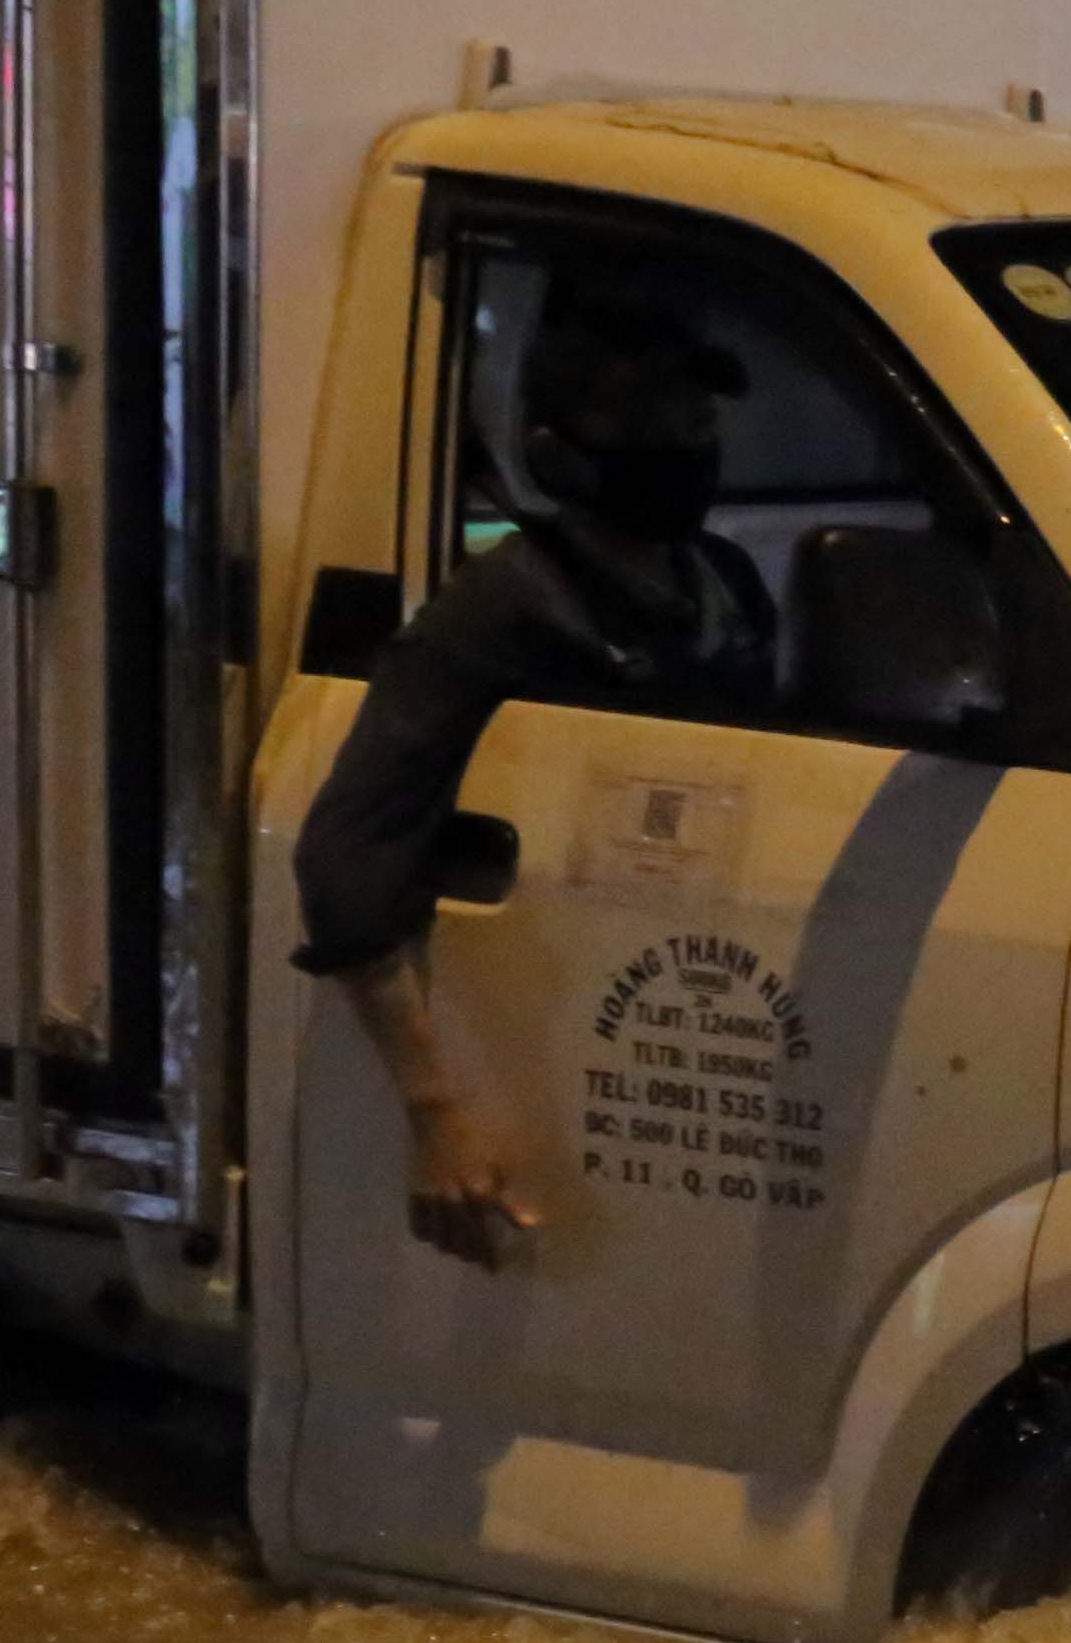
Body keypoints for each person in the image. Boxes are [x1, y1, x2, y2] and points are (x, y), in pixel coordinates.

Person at [291, 271, 771, 1267]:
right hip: (561, 1026)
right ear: (558, 455)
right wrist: (437, 1114)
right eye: (646, 414)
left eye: (696, 405)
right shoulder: (504, 609)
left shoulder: (724, 584)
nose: (684, 436)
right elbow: (343, 859)